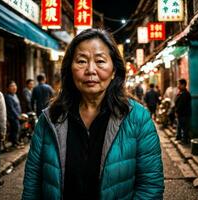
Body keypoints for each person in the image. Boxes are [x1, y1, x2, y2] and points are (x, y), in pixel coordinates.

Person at [22, 28, 164, 199]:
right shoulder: (50, 119)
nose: (90, 70)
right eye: (81, 61)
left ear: (114, 71)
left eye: (100, 61)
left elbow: (150, 186)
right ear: (69, 69)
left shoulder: (138, 118)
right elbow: (32, 184)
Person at [4, 81, 23, 148]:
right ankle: (14, 143)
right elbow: (11, 108)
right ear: (8, 88)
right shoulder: (7, 96)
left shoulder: (15, 95)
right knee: (15, 129)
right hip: (12, 116)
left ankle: (16, 142)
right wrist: (18, 116)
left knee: (17, 129)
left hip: (17, 116)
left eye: (15, 85)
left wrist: (20, 114)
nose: (14, 87)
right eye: (11, 86)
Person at [175, 79, 191, 144]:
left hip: (184, 114)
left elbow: (181, 105)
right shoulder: (182, 93)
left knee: (184, 128)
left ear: (183, 85)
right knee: (182, 127)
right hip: (182, 114)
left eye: (179, 84)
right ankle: (182, 139)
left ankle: (185, 141)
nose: (178, 86)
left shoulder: (184, 94)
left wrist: (177, 111)